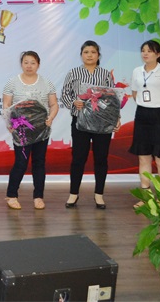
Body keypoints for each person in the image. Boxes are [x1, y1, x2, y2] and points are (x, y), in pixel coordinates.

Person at [60, 40, 120, 209]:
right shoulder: (73, 73)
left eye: (93, 52)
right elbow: (65, 94)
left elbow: (112, 98)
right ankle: (73, 194)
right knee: (78, 158)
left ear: (98, 55)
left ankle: (99, 195)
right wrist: (74, 102)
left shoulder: (105, 74)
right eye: (86, 52)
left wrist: (116, 117)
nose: (89, 55)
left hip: (103, 121)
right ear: (81, 55)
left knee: (101, 158)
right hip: (80, 121)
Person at [3, 51, 59, 210]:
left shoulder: (46, 82)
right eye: (26, 62)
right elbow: (6, 105)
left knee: (39, 163)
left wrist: (51, 117)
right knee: (21, 163)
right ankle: (12, 195)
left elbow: (53, 104)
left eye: (33, 62)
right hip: (21, 130)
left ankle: (38, 197)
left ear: (38, 65)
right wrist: (9, 123)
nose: (29, 66)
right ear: (21, 64)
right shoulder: (12, 82)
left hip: (41, 129)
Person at [129, 40, 160, 205]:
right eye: (143, 50)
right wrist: (146, 107)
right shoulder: (137, 71)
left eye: (149, 51)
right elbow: (135, 94)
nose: (145, 53)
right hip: (142, 115)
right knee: (143, 158)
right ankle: (146, 198)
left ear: (158, 54)